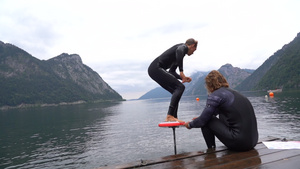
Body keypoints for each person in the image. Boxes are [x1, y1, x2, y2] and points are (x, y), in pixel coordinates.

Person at [184, 70, 258, 151]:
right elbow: (211, 114)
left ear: (209, 84)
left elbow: (203, 120)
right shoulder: (234, 93)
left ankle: (211, 151)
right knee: (211, 117)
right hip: (252, 142)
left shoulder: (215, 95)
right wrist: (200, 119)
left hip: (239, 143)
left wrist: (190, 125)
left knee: (207, 121)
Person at [148, 38, 198, 122]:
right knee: (180, 87)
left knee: (176, 90)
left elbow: (171, 72)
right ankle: (170, 116)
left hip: (154, 70)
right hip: (155, 68)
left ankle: (174, 117)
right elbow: (179, 50)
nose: (193, 53)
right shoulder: (182, 47)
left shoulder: (178, 55)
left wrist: (182, 77)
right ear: (192, 46)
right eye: (194, 50)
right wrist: (181, 71)